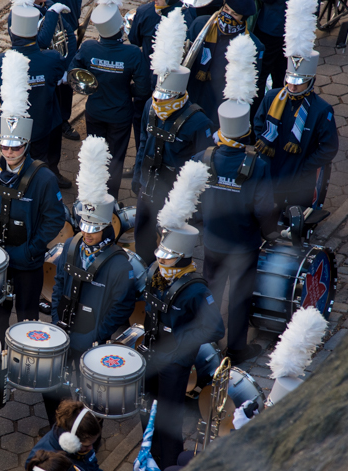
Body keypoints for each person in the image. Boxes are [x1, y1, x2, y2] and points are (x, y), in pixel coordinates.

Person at [0, 48, 65, 345]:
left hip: (27, 261)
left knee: (27, 318)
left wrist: (32, 249)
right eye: (5, 146)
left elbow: (55, 219)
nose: (9, 152)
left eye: (15, 147)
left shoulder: (44, 177)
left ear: (25, 145)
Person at [193, 36, 276, 364]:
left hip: (212, 241)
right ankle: (237, 348)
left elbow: (193, 199)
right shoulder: (258, 165)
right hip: (242, 246)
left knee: (210, 293)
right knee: (240, 298)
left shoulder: (203, 157)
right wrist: (272, 235)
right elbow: (264, 209)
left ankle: (205, 348)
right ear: (245, 133)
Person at [46, 137, 137, 421]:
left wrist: (97, 334)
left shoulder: (119, 263)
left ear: (106, 228)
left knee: (89, 393)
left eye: (94, 229)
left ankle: (88, 436)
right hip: (64, 326)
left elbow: (122, 306)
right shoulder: (72, 245)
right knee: (52, 385)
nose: (87, 234)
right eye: (84, 227)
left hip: (92, 335)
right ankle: (59, 426)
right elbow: (60, 283)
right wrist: (54, 316)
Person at [141, 161, 224, 468]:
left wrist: (180, 343)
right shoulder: (154, 272)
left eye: (169, 259)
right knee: (146, 408)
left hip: (175, 361)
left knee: (168, 417)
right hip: (151, 349)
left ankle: (171, 463)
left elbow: (215, 329)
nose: (162, 263)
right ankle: (149, 455)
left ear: (183, 257)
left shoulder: (196, 289)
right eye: (161, 257)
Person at [132, 9, 214, 266]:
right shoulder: (150, 106)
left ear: (179, 97)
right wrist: (137, 175)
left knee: (172, 247)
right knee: (141, 236)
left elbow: (203, 166)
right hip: (148, 186)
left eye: (165, 98)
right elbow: (144, 143)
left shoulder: (200, 122)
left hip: (174, 193)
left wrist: (194, 204)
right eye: (158, 95)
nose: (159, 102)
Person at [253, 0, 338, 212]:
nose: (292, 86)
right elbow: (258, 123)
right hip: (271, 169)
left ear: (310, 83)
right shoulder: (271, 98)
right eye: (290, 80)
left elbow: (329, 147)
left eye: (298, 84)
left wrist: (306, 166)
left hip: (299, 178)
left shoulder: (322, 110)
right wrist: (264, 149)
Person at [70, 2, 149, 198]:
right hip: (120, 115)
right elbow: (143, 89)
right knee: (114, 160)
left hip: (95, 111)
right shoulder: (132, 53)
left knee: (95, 155)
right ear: (120, 29)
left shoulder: (88, 47)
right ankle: (110, 201)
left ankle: (91, 194)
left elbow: (74, 73)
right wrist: (124, 88)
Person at [0, 2, 71, 188]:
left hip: (14, 127)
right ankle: (49, 180)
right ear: (36, 32)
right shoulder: (51, 58)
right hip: (45, 123)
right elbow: (60, 77)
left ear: (12, 32)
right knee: (44, 163)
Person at [127, 0, 197, 150]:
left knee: (147, 119)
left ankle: (149, 156)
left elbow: (134, 39)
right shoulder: (188, 12)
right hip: (162, 83)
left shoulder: (145, 11)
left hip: (157, 81)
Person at [7, 0, 80, 141]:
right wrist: (52, 14)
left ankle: (63, 121)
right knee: (45, 99)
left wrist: (68, 62)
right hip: (39, 65)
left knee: (64, 92)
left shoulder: (48, 3)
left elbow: (65, 30)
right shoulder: (19, 11)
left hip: (56, 62)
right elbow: (42, 42)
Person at [185, 0, 264, 125]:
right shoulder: (201, 24)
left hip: (217, 110)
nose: (227, 15)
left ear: (243, 18)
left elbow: (248, 86)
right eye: (226, 9)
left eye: (234, 14)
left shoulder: (252, 46)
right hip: (191, 98)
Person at [27, 401, 102, 471]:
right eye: (86, 446)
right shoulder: (44, 463)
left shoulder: (83, 446)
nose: (91, 448)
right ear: (71, 441)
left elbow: (93, 465)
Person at [251, 0, 287, 119]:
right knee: (281, 77)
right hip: (291, 31)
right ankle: (277, 115)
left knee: (260, 77)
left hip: (271, 26)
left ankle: (257, 117)